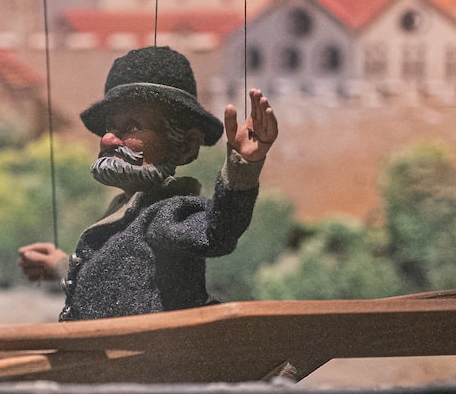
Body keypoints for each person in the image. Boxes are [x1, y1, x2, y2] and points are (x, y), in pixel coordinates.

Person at [18, 45, 277, 321]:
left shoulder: (165, 216)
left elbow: (219, 231)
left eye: (131, 127)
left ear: (186, 147)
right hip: (108, 359)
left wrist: (242, 167)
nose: (108, 140)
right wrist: (59, 264)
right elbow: (108, 280)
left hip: (149, 360)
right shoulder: (126, 213)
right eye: (109, 127)